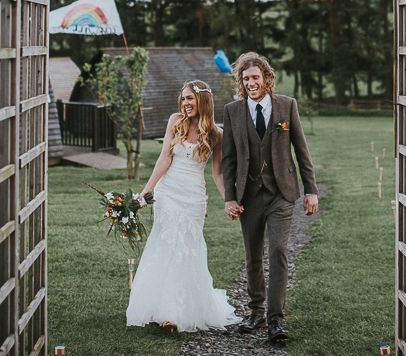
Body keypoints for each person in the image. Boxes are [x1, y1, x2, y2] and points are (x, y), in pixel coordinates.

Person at [221, 52, 318, 343]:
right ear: (241, 81)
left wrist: (311, 189)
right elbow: (228, 161)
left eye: (255, 77)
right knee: (252, 255)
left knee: (277, 251)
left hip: (281, 194)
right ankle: (256, 312)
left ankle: (276, 320)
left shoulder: (287, 107)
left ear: (266, 78)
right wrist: (229, 197)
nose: (251, 82)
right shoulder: (232, 111)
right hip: (248, 196)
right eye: (245, 78)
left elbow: (302, 151)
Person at [126, 80, 237, 332]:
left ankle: (182, 307)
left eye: (190, 99)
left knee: (189, 249)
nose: (186, 103)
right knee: (167, 245)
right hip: (168, 193)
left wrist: (228, 200)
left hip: (194, 197)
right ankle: (168, 313)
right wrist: (146, 192)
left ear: (203, 102)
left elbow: (217, 174)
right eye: (184, 98)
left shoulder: (216, 134)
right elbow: (164, 158)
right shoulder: (175, 120)